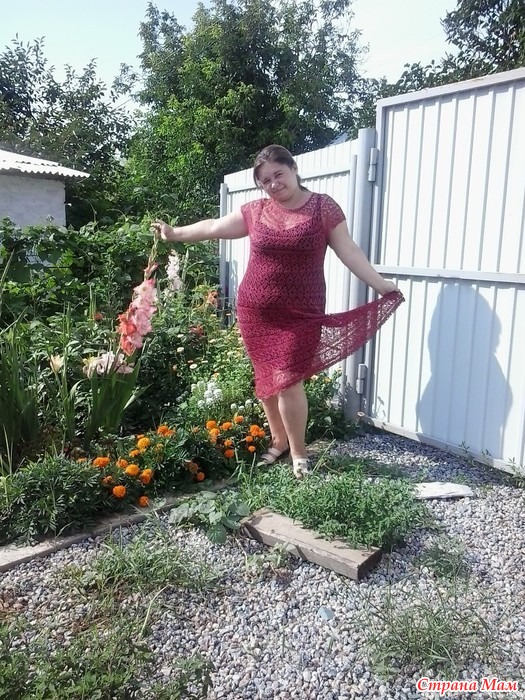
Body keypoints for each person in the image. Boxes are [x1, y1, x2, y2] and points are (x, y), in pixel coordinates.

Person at [152, 144, 403, 478]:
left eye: (278, 174)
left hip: (301, 313)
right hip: (256, 311)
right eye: (265, 181)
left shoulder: (322, 208)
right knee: (267, 379)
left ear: (294, 169)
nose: (273, 184)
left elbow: (349, 250)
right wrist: (174, 234)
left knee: (288, 379)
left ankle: (299, 453)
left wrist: (380, 284)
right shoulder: (256, 212)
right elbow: (213, 227)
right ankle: (279, 439)